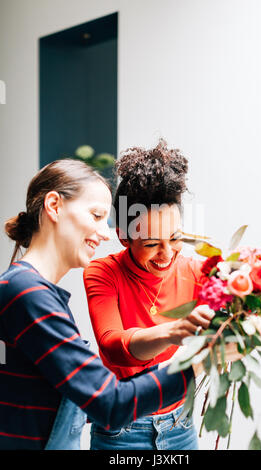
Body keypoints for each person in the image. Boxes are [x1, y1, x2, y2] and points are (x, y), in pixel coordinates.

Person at [0, 158, 207, 450]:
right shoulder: (27, 294)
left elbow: (82, 398)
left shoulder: (30, 290)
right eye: (96, 216)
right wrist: (197, 361)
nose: (105, 233)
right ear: (54, 206)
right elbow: (109, 403)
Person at [83, 140, 226, 450]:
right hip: (121, 432)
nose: (165, 254)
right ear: (123, 236)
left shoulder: (200, 270)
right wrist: (175, 330)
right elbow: (113, 348)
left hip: (180, 426)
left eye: (174, 238)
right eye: (150, 244)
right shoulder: (103, 273)